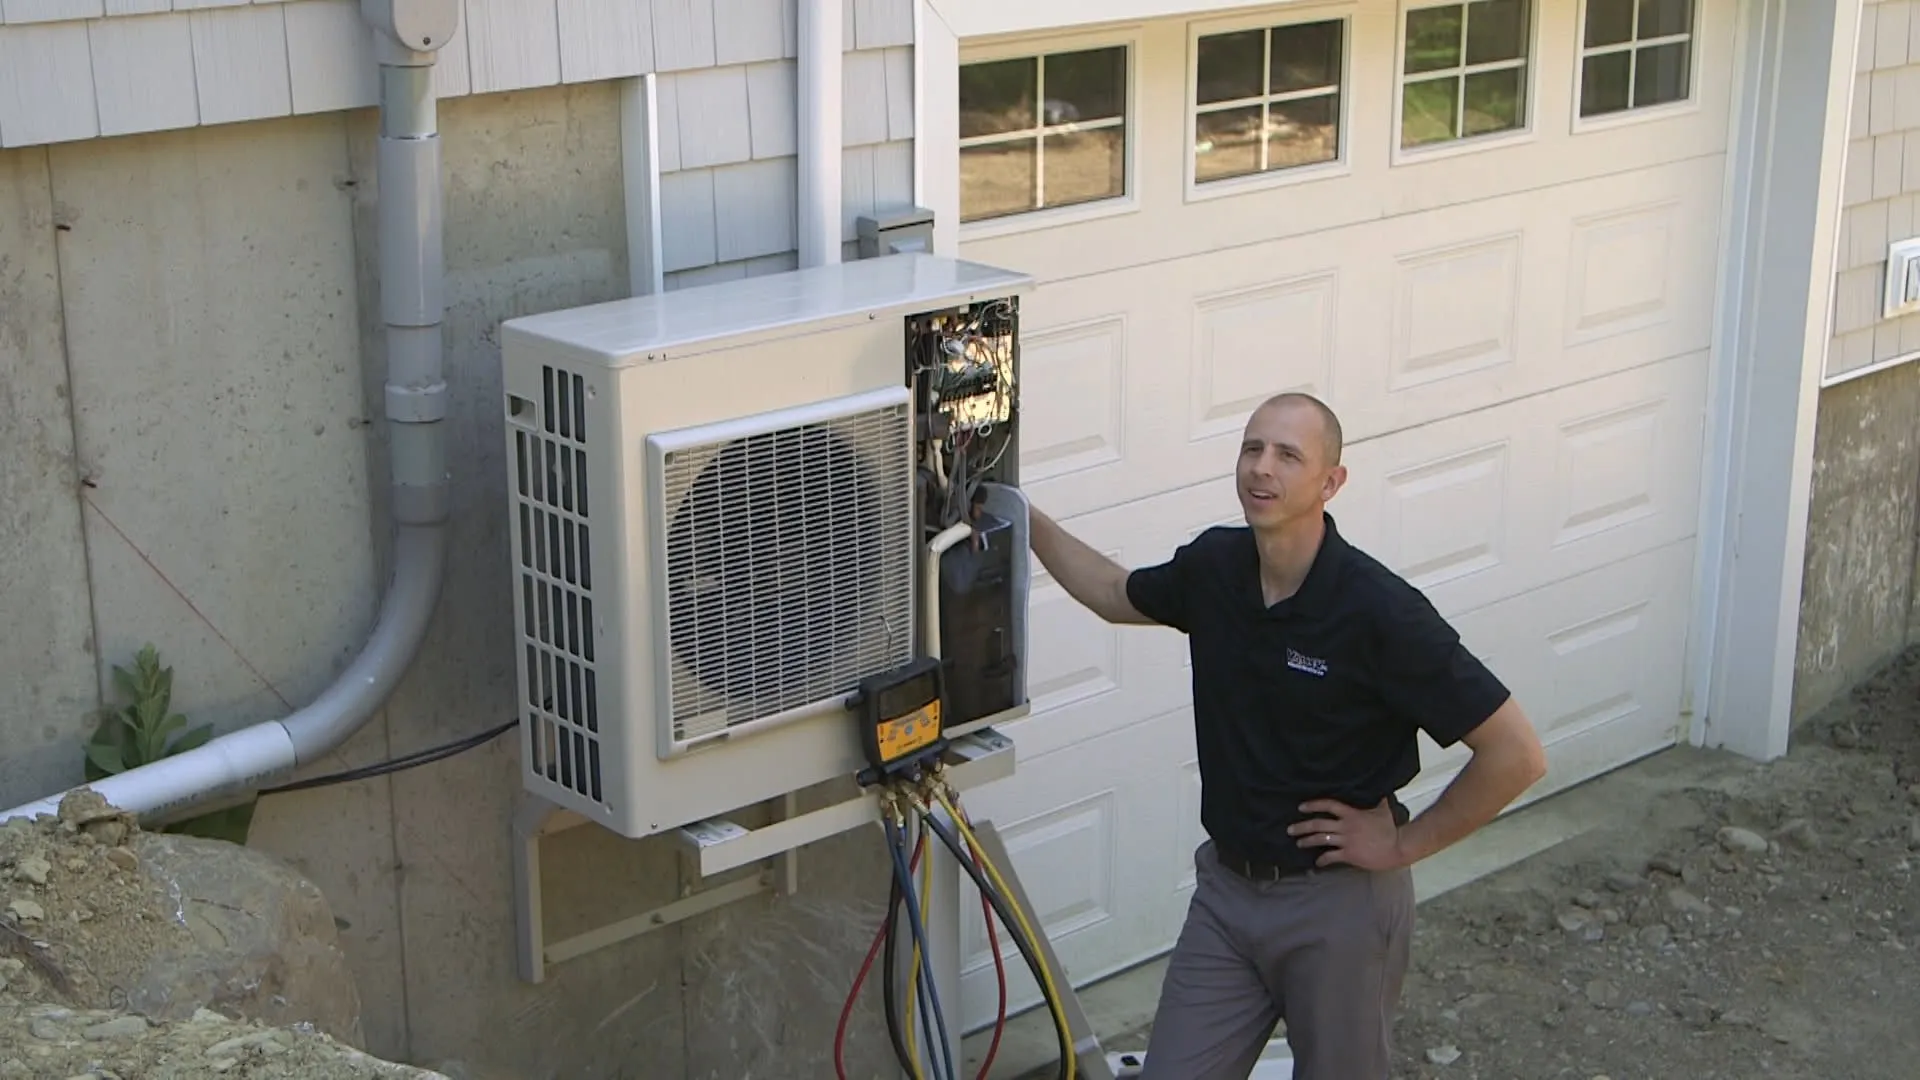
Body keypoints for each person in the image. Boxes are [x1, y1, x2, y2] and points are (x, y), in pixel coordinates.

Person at [1025, 391, 1548, 1079]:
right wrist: (1022, 518)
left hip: (1337, 908)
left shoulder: (1378, 611)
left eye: (1287, 455)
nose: (1261, 469)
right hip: (1227, 896)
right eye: (1252, 448)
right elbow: (1115, 593)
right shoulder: (1215, 568)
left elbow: (1515, 753)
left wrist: (1403, 842)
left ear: (1331, 483)